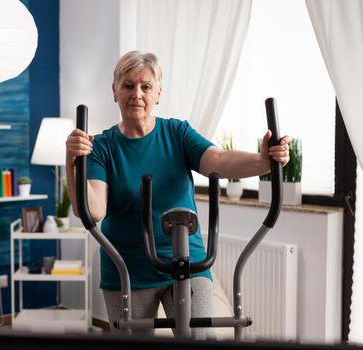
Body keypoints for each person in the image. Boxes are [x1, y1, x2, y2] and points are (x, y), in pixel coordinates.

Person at [65, 51, 290, 339]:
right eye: (128, 85)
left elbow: (219, 160)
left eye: (146, 86)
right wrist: (71, 162)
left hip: (188, 261)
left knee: (199, 338)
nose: (137, 94)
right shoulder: (101, 147)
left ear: (158, 93)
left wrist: (263, 162)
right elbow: (92, 210)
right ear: (114, 91)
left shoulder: (177, 133)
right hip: (127, 267)